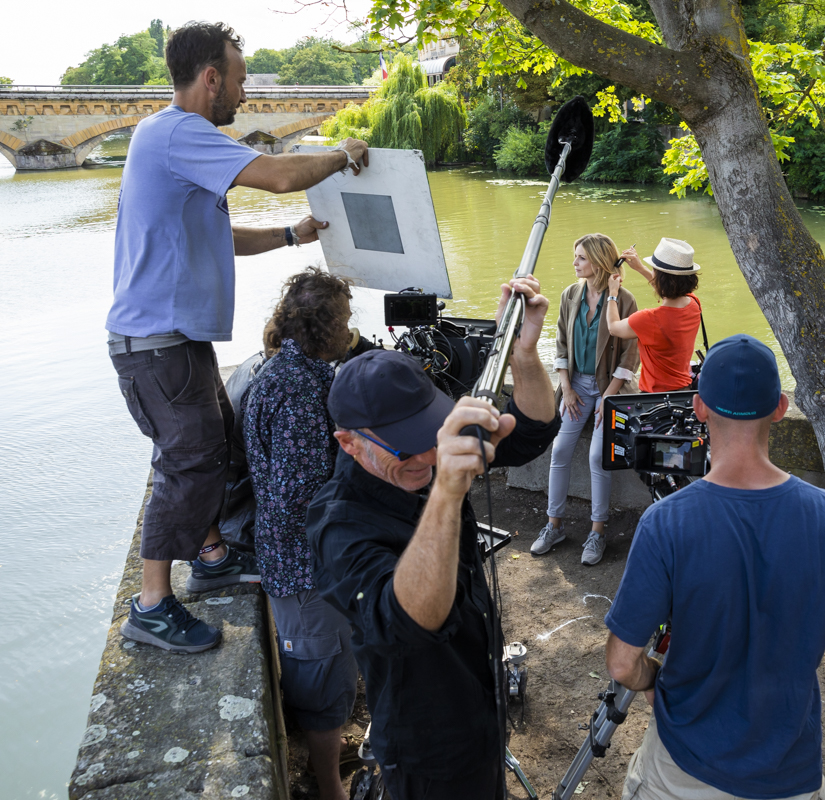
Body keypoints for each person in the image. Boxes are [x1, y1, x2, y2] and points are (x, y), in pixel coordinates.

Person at [107, 20, 370, 654]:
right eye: (241, 81)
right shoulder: (180, 133)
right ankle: (151, 606)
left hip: (173, 338)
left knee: (219, 442)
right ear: (211, 78)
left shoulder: (163, 139)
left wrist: (290, 237)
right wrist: (344, 153)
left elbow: (216, 239)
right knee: (190, 458)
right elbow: (280, 174)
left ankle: (212, 551)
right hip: (155, 342)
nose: (245, 96)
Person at [306, 277, 559, 800]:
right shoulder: (338, 525)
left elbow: (533, 429)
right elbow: (406, 622)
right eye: (406, 446)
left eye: (433, 433)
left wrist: (523, 353)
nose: (427, 454)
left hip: (481, 695)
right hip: (428, 748)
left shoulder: (424, 460)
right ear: (349, 443)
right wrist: (446, 490)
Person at [605, 334, 825, 800]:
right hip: (788, 772)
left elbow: (621, 662)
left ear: (698, 407)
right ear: (780, 408)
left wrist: (654, 681)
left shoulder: (665, 522)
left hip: (684, 769)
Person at [241, 269, 357, 800]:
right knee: (321, 673)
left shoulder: (284, 369)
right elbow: (295, 501)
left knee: (326, 666)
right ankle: (327, 782)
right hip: (305, 568)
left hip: (293, 560)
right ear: (325, 326)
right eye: (347, 320)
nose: (352, 330)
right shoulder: (300, 392)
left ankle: (324, 761)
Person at [530, 233, 639, 565]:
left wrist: (608, 398)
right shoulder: (569, 294)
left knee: (597, 456)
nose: (574, 263)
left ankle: (598, 532)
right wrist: (566, 386)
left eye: (580, 258)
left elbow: (630, 355)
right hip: (575, 385)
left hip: (611, 389)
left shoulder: (625, 299)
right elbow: (561, 343)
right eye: (575, 256)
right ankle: (554, 525)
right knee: (560, 449)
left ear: (599, 261)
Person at [607, 238, 704, 392]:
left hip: (655, 396)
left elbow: (613, 328)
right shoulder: (693, 304)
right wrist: (640, 268)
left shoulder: (648, 319)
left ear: (660, 278)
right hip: (684, 390)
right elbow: (670, 291)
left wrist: (612, 294)